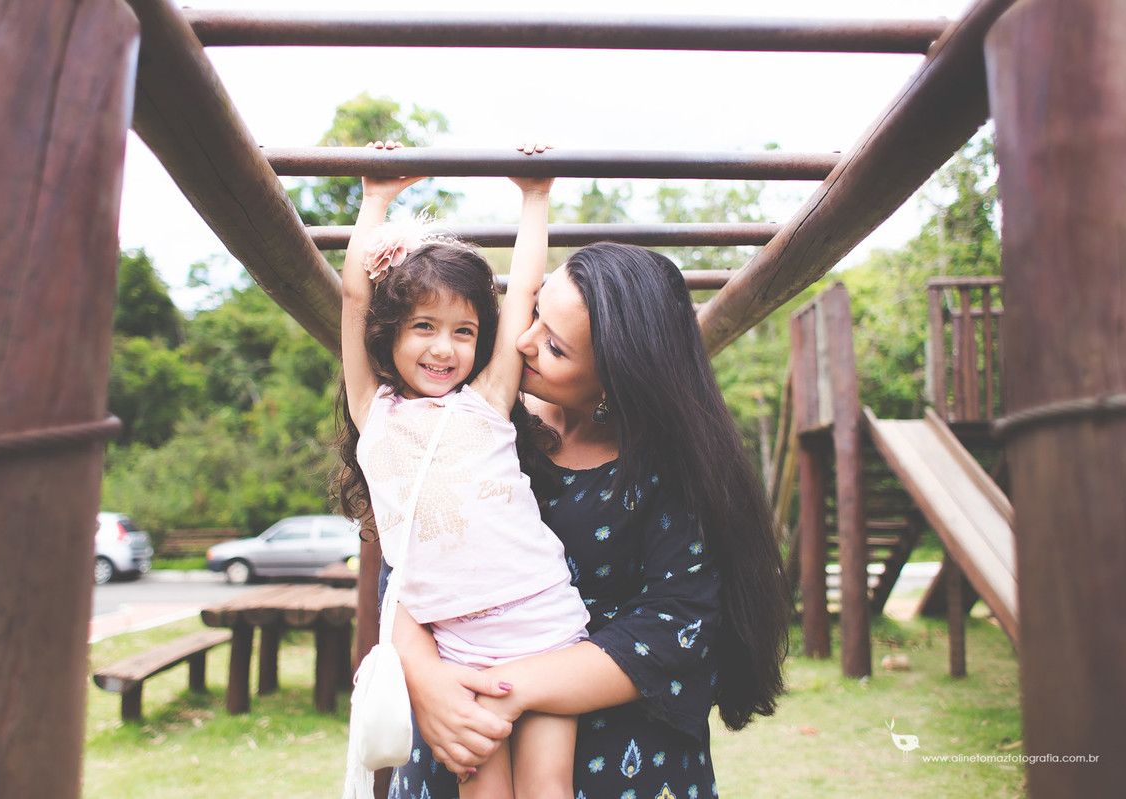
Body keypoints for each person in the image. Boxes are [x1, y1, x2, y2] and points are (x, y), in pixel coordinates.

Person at [389, 242, 791, 799]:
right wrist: (428, 681)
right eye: (533, 317)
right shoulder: (477, 411)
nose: (523, 342)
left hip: (617, 760)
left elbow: (679, 625)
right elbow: (405, 555)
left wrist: (511, 687)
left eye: (553, 346)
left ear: (616, 379)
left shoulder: (674, 466)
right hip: (460, 734)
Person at [335, 141, 589, 799]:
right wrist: (375, 199)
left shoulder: (487, 400)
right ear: (391, 333)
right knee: (483, 792)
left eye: (463, 331)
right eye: (423, 326)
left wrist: (535, 197)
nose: (444, 347)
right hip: (458, 644)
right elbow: (354, 297)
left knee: (548, 788)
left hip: (541, 620)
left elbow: (523, 290)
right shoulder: (376, 411)